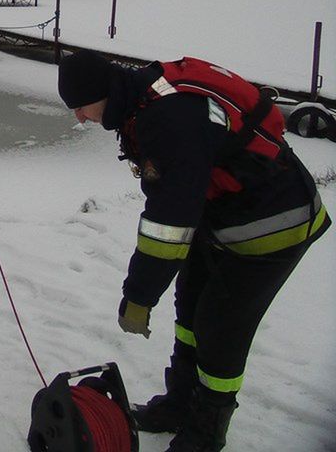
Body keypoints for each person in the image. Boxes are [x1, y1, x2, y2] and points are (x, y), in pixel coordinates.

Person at [57, 50, 329, 452]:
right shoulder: (141, 100)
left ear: (103, 93)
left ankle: (206, 433)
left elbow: (169, 223)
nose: (79, 117)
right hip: (221, 216)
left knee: (220, 326)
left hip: (274, 224)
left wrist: (139, 296)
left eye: (81, 107)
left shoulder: (165, 119)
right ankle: (180, 403)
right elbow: (180, 201)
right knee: (190, 307)